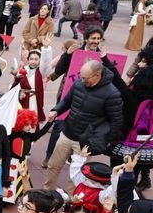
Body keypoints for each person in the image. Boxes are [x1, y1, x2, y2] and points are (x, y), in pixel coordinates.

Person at [43, 59, 123, 191]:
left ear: (97, 75)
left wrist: (104, 140)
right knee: (53, 165)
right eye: (81, 77)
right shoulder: (79, 83)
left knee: (77, 174)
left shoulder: (112, 94)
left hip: (86, 140)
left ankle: (72, 201)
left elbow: (116, 122)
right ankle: (47, 192)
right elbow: (67, 101)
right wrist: (56, 110)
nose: (82, 80)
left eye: (86, 78)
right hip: (68, 132)